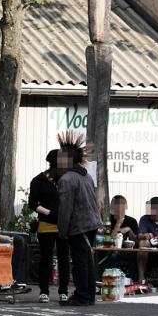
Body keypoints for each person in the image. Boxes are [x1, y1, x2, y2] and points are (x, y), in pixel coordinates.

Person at [56, 131, 101, 306]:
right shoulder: (86, 176)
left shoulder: (67, 179)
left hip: (79, 226)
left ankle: (83, 296)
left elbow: (65, 209)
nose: (58, 161)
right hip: (91, 224)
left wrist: (62, 230)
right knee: (87, 262)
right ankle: (88, 296)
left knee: (80, 262)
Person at [29, 149, 69, 304]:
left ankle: (64, 291)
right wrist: (49, 213)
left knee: (64, 258)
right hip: (46, 224)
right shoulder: (38, 180)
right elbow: (33, 204)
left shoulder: (66, 179)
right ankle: (44, 291)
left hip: (64, 225)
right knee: (45, 258)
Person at [106, 195, 140, 279]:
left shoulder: (132, 221)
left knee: (137, 256)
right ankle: (112, 279)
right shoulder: (107, 220)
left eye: (122, 205)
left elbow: (136, 242)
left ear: (126, 206)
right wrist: (118, 223)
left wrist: (129, 230)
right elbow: (109, 239)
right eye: (116, 205)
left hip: (128, 251)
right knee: (113, 255)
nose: (119, 208)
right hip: (111, 250)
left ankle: (134, 279)